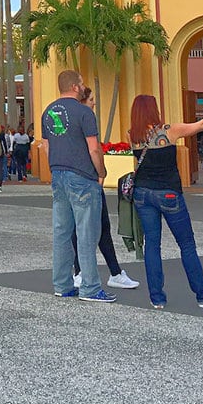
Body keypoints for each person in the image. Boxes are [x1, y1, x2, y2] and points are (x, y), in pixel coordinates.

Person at [128, 94, 203, 311]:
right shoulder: (169, 131)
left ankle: (157, 298)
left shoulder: (133, 135)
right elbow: (202, 124)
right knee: (186, 245)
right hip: (168, 193)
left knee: (152, 244)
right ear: (154, 110)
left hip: (142, 194)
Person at [40, 69, 115, 304]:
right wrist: (101, 172)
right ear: (74, 87)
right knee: (86, 232)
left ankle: (63, 284)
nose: (83, 87)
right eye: (81, 83)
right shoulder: (84, 112)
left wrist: (54, 168)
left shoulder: (48, 112)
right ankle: (91, 288)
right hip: (82, 176)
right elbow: (93, 148)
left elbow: (46, 147)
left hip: (58, 174)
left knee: (62, 232)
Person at [68, 85, 139, 291]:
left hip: (85, 181)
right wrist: (101, 173)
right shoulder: (84, 120)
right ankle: (83, 271)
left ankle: (110, 272)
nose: (94, 105)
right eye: (92, 101)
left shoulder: (77, 121)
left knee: (98, 228)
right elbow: (94, 150)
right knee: (85, 227)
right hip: (87, 181)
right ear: (83, 101)